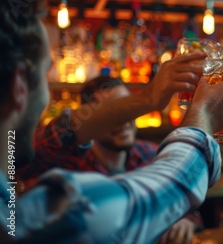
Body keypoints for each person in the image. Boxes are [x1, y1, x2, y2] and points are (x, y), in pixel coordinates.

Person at [0, 0, 223, 243]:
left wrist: (148, 98)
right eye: (44, 71)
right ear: (19, 87)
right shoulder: (52, 217)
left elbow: (64, 131)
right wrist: (203, 115)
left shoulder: (14, 169)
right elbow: (163, 192)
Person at [18, 75, 204, 243]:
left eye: (127, 109)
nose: (123, 121)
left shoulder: (152, 154)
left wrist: (184, 221)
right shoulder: (65, 167)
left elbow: (189, 209)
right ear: (94, 120)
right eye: (114, 113)